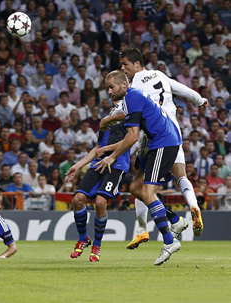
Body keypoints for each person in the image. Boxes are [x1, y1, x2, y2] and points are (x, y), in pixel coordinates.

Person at [100, 49, 206, 248]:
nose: (123, 68)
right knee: (180, 177)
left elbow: (128, 110)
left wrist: (109, 118)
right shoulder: (160, 75)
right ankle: (193, 205)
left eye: (125, 64)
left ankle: (143, 228)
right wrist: (200, 100)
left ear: (137, 64)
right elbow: (182, 89)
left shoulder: (136, 84)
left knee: (142, 186)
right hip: (175, 132)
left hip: (155, 135)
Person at [96, 70, 183, 266]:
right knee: (136, 189)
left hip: (163, 142)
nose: (109, 91)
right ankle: (174, 220)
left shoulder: (132, 97)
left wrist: (112, 157)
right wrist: (108, 120)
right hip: (156, 143)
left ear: (123, 86)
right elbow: (125, 117)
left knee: (148, 192)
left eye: (112, 87)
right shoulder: (132, 97)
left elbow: (133, 136)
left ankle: (169, 241)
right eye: (107, 88)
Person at [65, 100, 130, 262]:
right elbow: (98, 147)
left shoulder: (130, 118)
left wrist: (106, 150)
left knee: (101, 202)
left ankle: (97, 245)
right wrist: (78, 165)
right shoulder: (105, 121)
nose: (113, 99)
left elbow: (130, 140)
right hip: (97, 164)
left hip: (117, 165)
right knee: (78, 199)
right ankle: (83, 238)